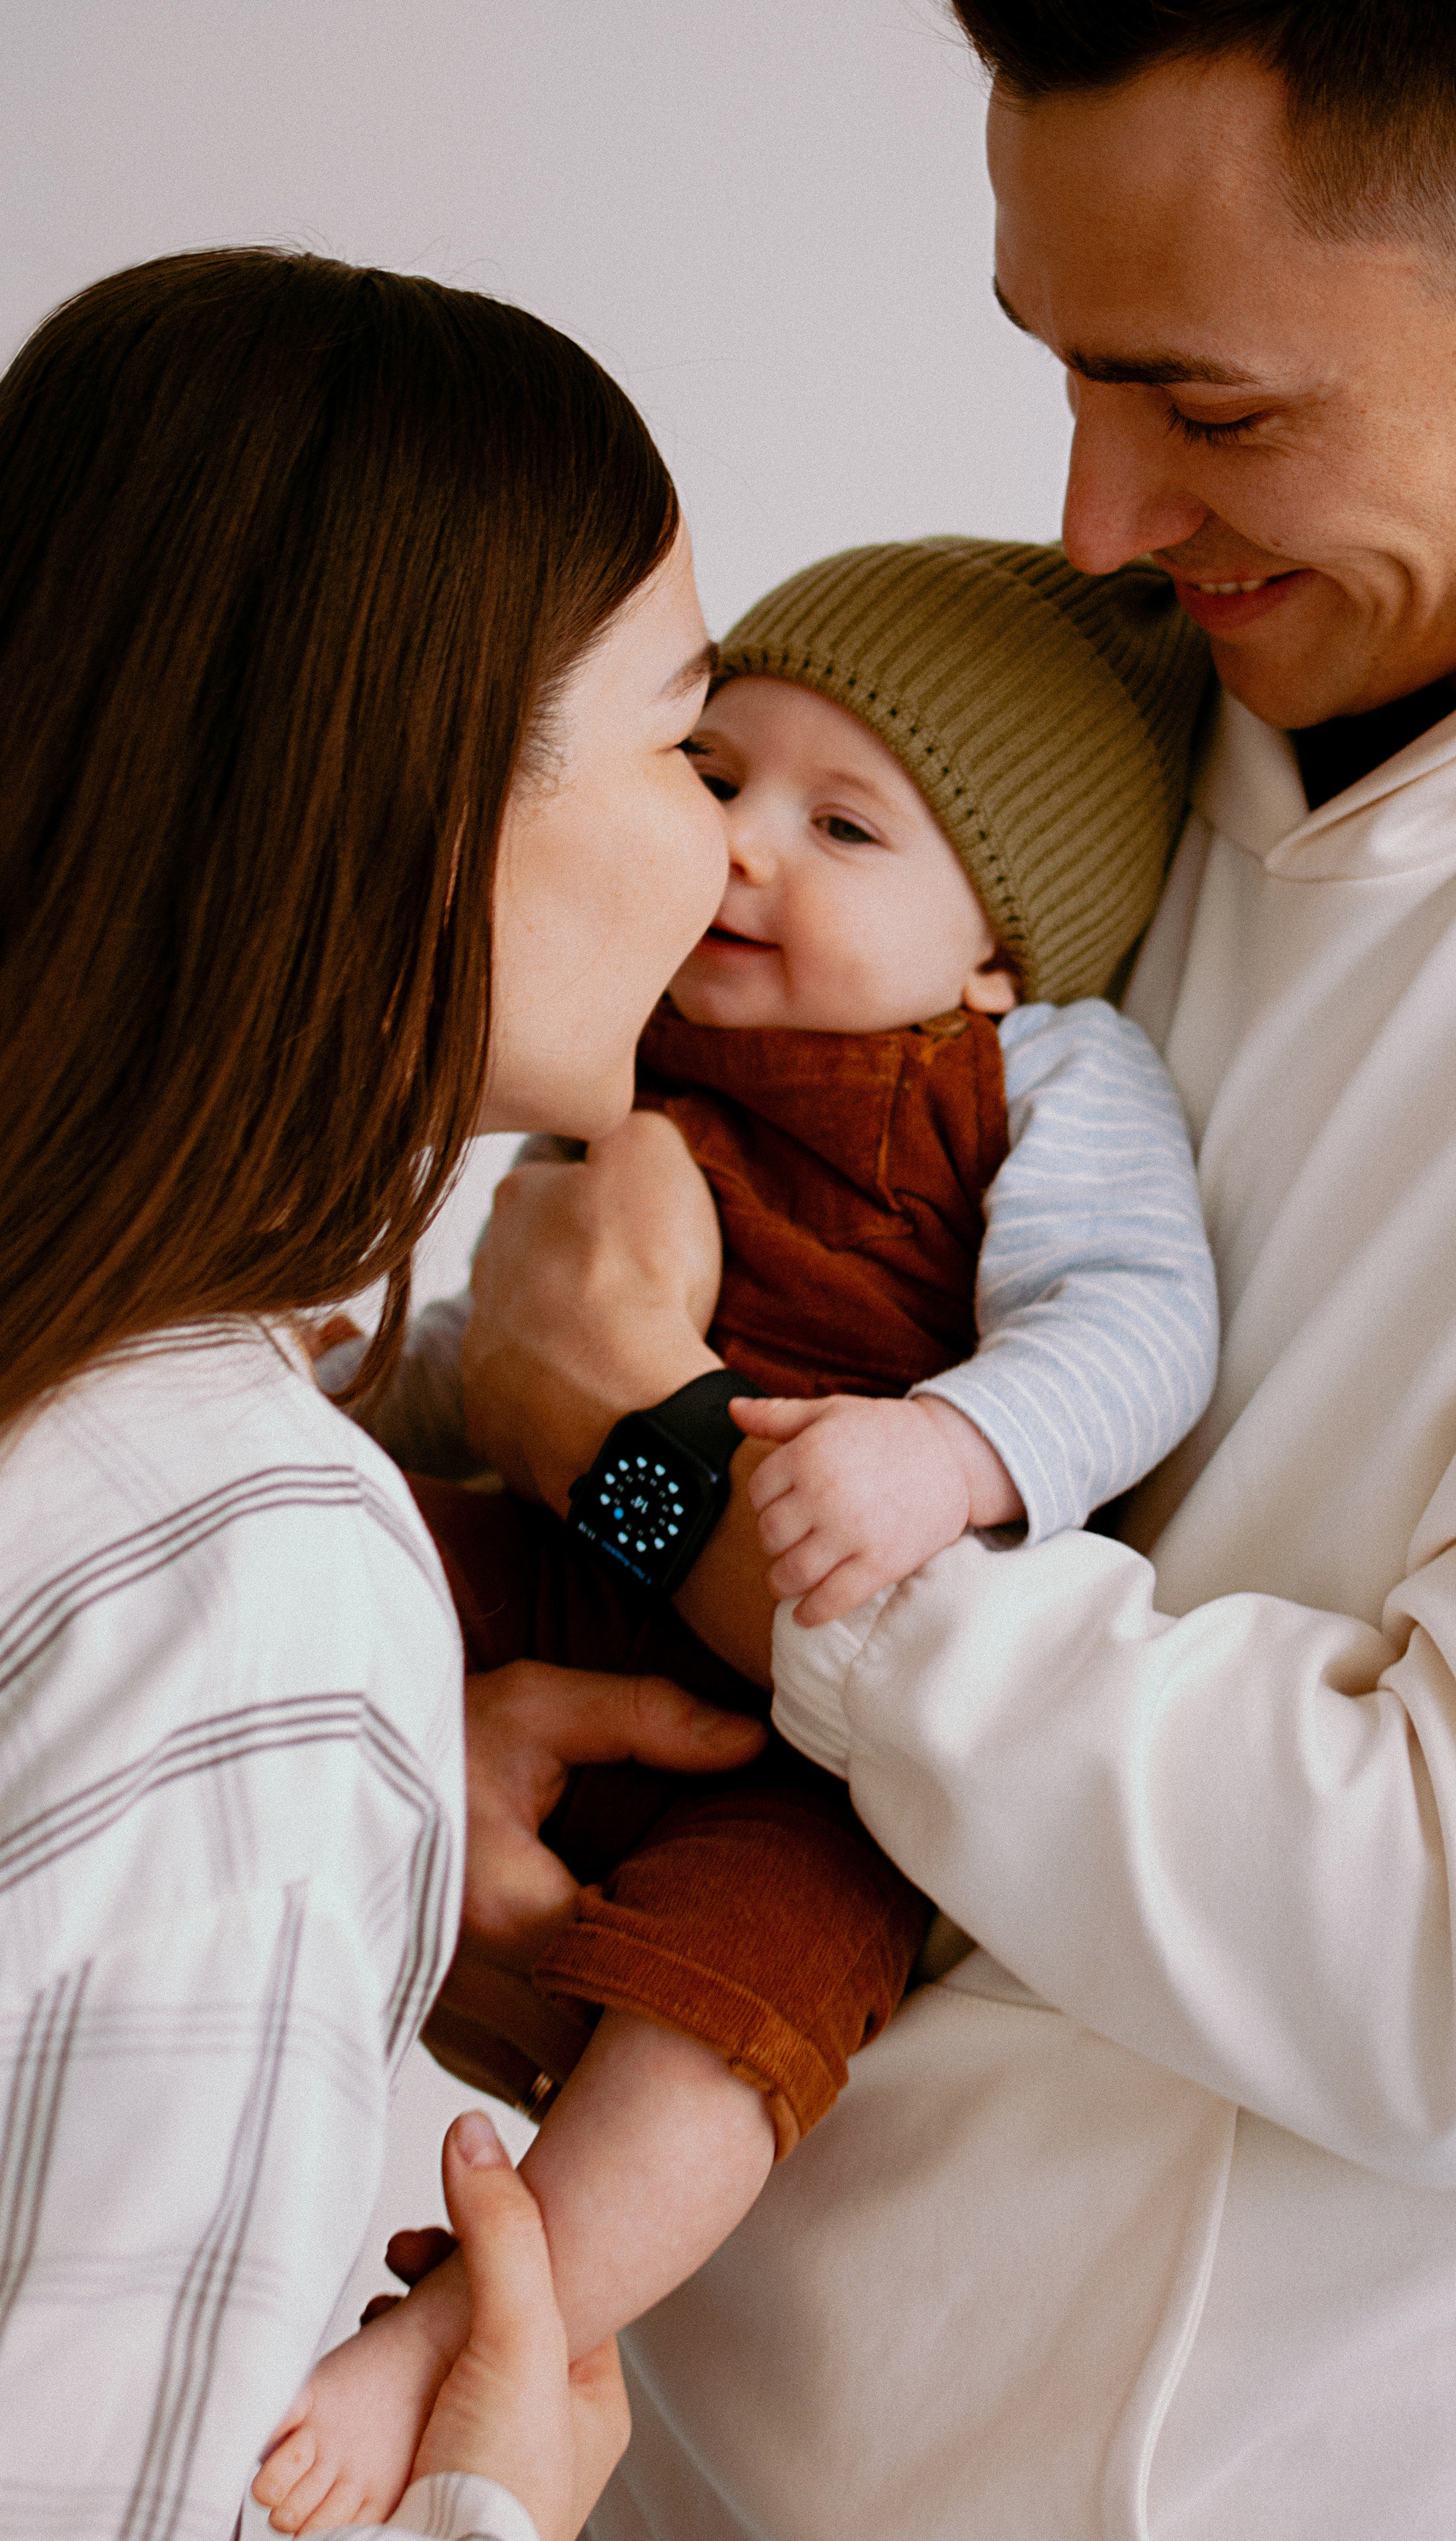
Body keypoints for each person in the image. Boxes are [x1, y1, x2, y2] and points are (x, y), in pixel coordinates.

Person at [452, 0, 1456, 2535]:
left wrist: (665, 1486)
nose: (1091, 516)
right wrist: (504, 1663)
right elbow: (612, 1396)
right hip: (663, 2412)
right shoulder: (1023, 766)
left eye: (1202, 404)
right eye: (1060, 369)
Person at [0, 248, 772, 2541]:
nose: (729, 862)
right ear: (415, 807)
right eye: (695, 749)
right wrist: (492, 2507)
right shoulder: (252, 1575)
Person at [251, 538, 1217, 2533]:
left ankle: (469, 2332)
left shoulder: (1036, 1075)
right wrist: (351, 1403)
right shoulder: (636, 1028)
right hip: (562, 1568)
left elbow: (1137, 1324)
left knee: (741, 2015)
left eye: (842, 823)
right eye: (714, 775)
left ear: (993, 955)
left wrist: (950, 1450)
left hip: (809, 1753)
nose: (742, 848)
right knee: (292, 1545)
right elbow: (500, 1346)